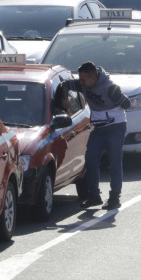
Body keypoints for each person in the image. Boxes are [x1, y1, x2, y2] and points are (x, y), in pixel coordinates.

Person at [56, 61, 130, 210]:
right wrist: (64, 98)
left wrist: (117, 98)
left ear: (93, 77)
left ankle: (115, 197)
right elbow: (64, 84)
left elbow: (127, 104)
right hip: (98, 129)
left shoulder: (110, 87)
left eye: (83, 80)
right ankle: (94, 196)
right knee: (90, 159)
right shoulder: (83, 84)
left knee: (114, 162)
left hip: (115, 127)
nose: (81, 83)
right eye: (80, 79)